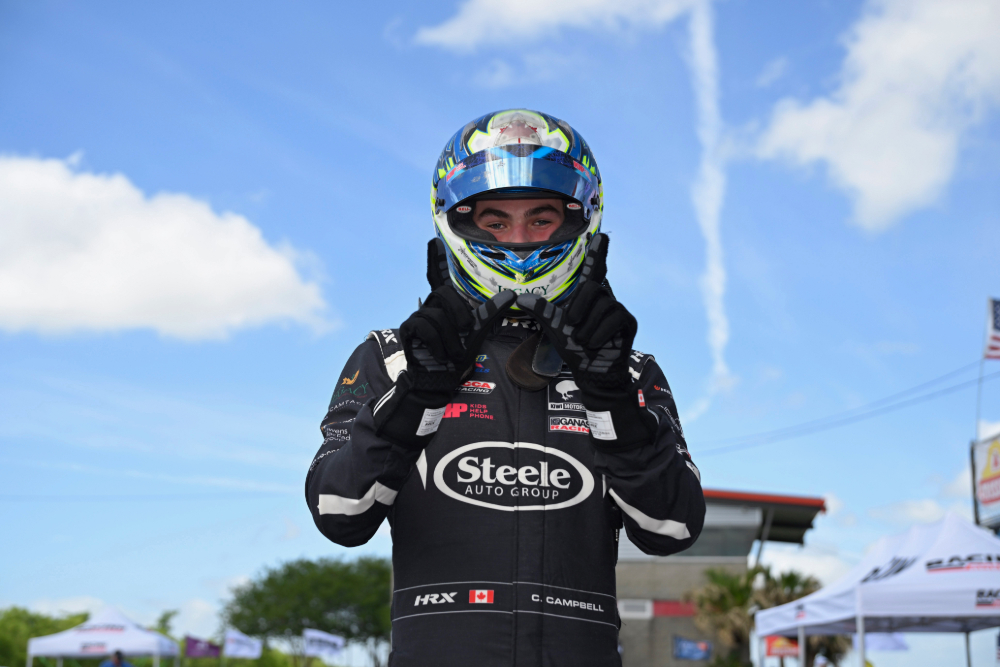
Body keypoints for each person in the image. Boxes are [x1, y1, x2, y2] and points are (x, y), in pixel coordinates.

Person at [306, 109, 706, 667]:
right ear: (454, 221)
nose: (518, 241)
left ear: (583, 220)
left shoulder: (630, 370)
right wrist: (418, 396)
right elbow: (340, 515)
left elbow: (672, 529)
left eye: (541, 219)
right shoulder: (392, 357)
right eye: (495, 221)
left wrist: (611, 398)